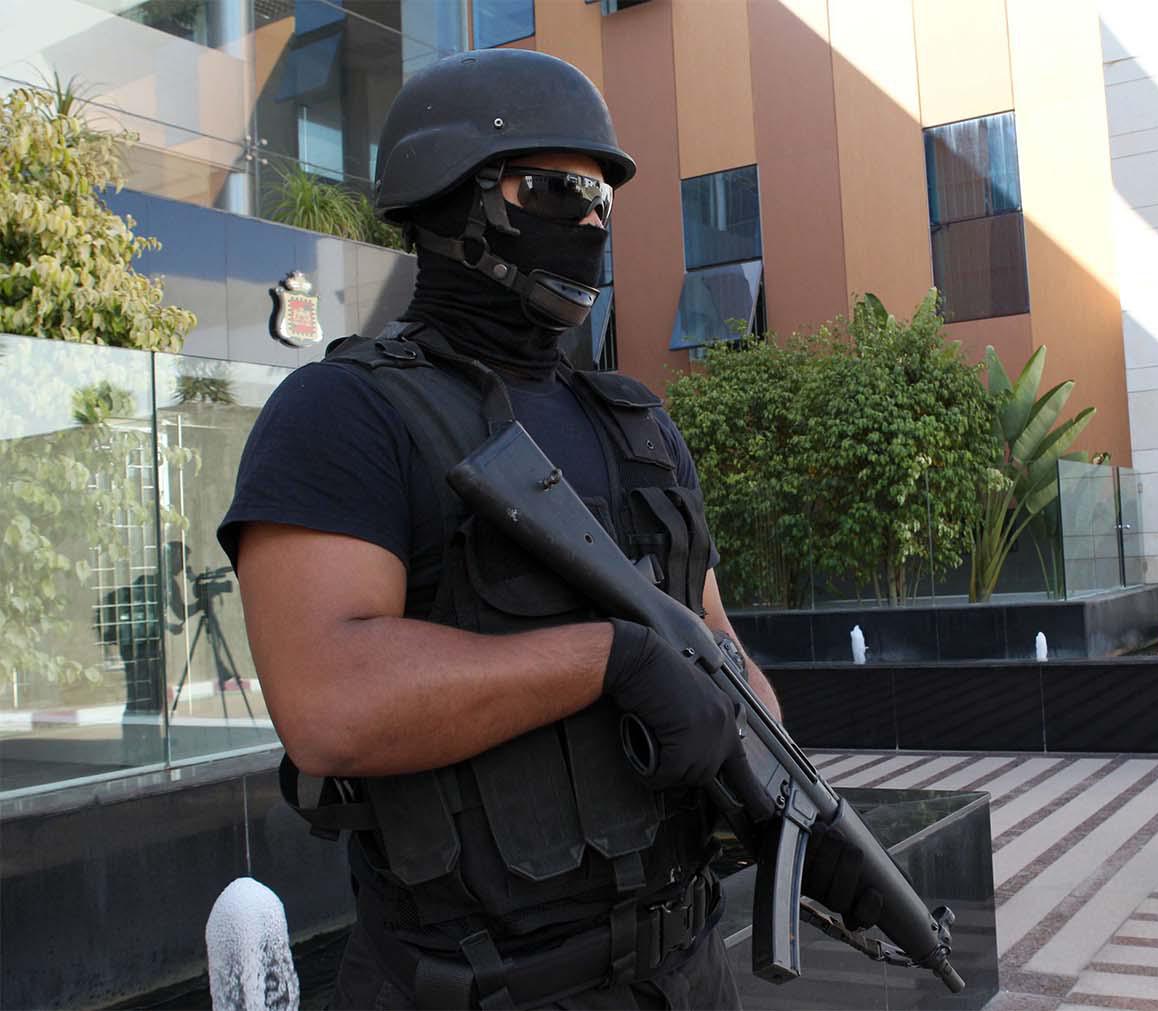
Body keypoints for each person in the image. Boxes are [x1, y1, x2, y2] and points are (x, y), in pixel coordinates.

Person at [218, 50, 875, 1011]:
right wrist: (612, 660)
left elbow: (714, 636)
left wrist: (768, 771)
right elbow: (327, 700)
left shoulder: (639, 424)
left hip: (685, 970)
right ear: (455, 198)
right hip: (478, 988)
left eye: (604, 198)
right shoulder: (343, 414)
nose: (592, 223)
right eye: (560, 191)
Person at [99, 541, 188, 764]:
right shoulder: (162, 583)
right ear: (172, 558)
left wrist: (168, 626)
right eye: (182, 559)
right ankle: (137, 747)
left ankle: (142, 746)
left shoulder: (150, 582)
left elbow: (155, 615)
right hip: (144, 647)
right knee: (143, 699)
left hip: (137, 647)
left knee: (144, 698)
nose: (183, 565)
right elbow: (179, 612)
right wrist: (203, 602)